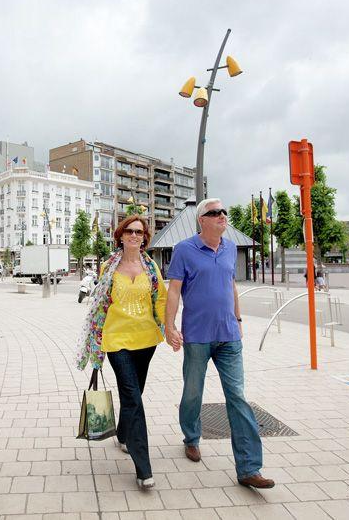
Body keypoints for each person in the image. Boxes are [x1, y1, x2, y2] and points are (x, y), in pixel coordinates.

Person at [165, 198, 274, 490]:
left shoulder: (229, 249)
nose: (222, 216)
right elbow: (174, 291)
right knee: (192, 392)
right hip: (197, 335)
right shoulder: (184, 250)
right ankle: (191, 437)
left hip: (229, 335)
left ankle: (250, 468)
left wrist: (238, 319)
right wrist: (169, 326)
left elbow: (231, 285)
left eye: (223, 212)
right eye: (215, 213)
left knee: (237, 397)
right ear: (202, 219)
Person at [76, 215, 166, 490]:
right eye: (129, 231)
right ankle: (143, 468)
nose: (134, 235)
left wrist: (171, 328)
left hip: (146, 339)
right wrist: (95, 342)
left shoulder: (151, 267)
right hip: (116, 341)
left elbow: (160, 298)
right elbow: (100, 304)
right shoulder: (108, 267)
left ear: (145, 237)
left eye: (139, 232)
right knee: (132, 398)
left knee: (134, 395)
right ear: (121, 235)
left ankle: (124, 435)